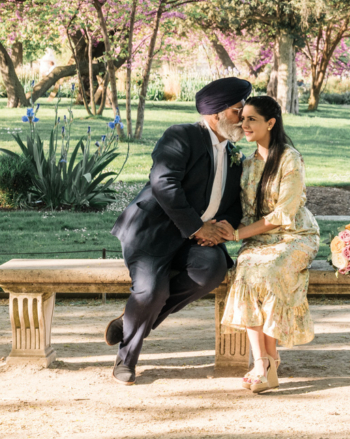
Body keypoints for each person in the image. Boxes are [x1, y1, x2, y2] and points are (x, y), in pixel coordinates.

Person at [104, 77, 251, 384]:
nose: (244, 117)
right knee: (151, 291)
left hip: (197, 238)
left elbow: (234, 205)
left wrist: (224, 229)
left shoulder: (234, 153)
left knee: (212, 270)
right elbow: (163, 183)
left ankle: (131, 321)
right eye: (239, 110)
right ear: (217, 114)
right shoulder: (181, 136)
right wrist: (197, 227)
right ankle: (126, 359)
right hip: (151, 232)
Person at [221, 94, 319, 393]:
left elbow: (283, 214)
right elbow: (247, 212)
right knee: (247, 268)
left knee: (271, 270)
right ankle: (263, 361)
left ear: (271, 123)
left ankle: (269, 362)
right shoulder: (247, 163)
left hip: (295, 236)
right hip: (259, 238)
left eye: (252, 119)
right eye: (243, 117)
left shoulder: (290, 158)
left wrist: (238, 236)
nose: (243, 123)